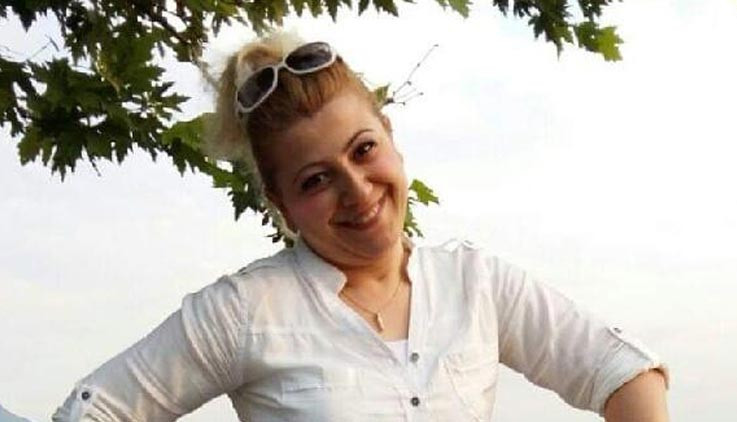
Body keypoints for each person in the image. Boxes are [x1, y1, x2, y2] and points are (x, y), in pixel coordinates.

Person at [53, 30, 669, 421]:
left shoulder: (476, 283)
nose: (356, 190)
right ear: (281, 203)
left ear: (391, 138)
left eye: (364, 150)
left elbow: (622, 373)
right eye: (315, 180)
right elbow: (94, 411)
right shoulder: (244, 311)